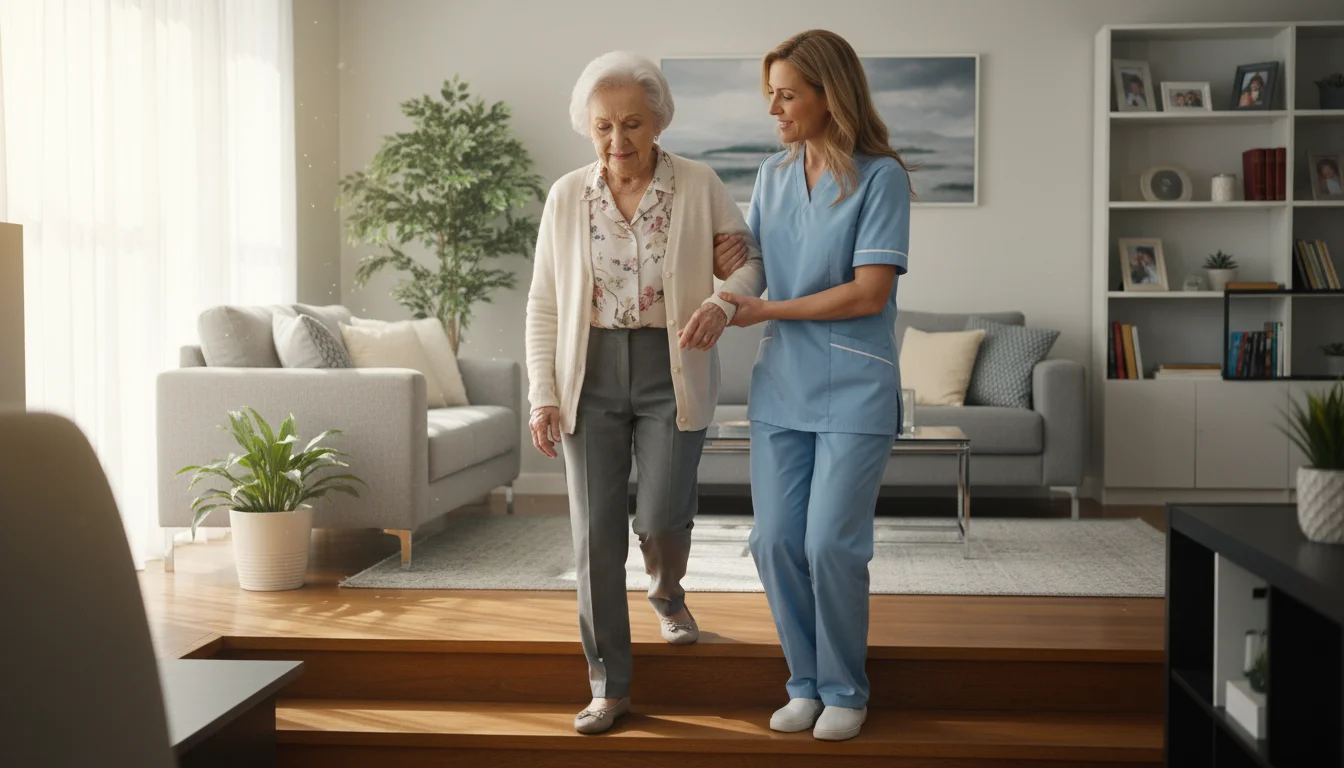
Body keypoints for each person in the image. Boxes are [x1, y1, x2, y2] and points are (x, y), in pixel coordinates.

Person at [524, 50, 766, 735]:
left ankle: (666, 590)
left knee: (661, 515)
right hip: (588, 368)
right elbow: (544, 303)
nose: (617, 140)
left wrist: (722, 301)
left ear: (659, 121)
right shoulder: (567, 196)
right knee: (595, 535)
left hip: (672, 363)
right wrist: (543, 393)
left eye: (632, 123)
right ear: (587, 127)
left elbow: (749, 264)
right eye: (603, 126)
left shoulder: (699, 183)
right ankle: (609, 685)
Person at [715, 29, 913, 742]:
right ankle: (804, 683)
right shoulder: (771, 175)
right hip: (782, 387)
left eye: (787, 95)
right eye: (770, 94)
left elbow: (868, 292)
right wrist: (724, 267)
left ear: (832, 96)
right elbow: (758, 266)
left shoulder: (881, 177)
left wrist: (766, 311)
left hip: (854, 387)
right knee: (773, 541)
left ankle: (844, 688)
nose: (774, 109)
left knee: (831, 544)